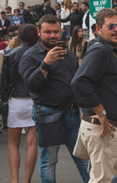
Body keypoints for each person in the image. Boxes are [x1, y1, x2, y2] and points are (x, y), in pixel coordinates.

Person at [19, 14, 89, 183]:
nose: (52, 35)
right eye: (47, 32)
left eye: (56, 32)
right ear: (38, 32)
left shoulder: (69, 55)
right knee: (49, 161)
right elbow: (31, 85)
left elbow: (76, 83)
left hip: (72, 114)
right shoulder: (30, 56)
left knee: (83, 159)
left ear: (61, 32)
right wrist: (46, 63)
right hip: (47, 114)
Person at [72, 9, 117, 183]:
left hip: (107, 130)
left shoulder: (109, 50)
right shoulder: (100, 51)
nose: (116, 29)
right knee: (103, 180)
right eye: (110, 26)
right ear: (98, 29)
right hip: (105, 130)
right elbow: (79, 82)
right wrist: (102, 113)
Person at [0, 24, 38, 183]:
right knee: (32, 144)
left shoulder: (10, 54)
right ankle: (26, 180)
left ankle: (14, 180)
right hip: (35, 100)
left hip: (16, 100)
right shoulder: (40, 53)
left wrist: (3, 99)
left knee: (13, 144)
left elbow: (4, 82)